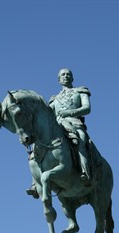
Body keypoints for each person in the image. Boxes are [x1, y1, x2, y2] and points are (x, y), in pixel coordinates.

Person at [27, 68, 92, 198]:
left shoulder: (80, 92)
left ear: (72, 78)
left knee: (81, 139)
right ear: (59, 79)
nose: (66, 76)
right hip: (57, 126)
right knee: (36, 146)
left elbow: (87, 108)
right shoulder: (54, 99)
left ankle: (85, 172)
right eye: (63, 74)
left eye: (68, 74)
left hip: (74, 123)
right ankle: (35, 182)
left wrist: (69, 113)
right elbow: (47, 114)